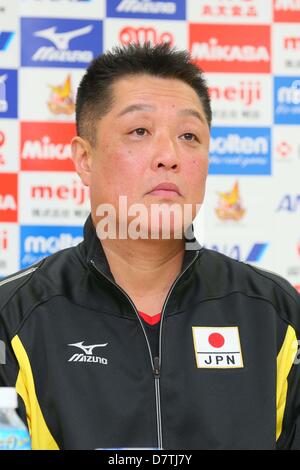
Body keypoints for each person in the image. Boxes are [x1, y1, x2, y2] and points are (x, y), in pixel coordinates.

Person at [0, 43, 300, 451]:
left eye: (189, 136)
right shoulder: (14, 315)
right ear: (84, 159)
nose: (169, 156)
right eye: (139, 131)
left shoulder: (276, 314)